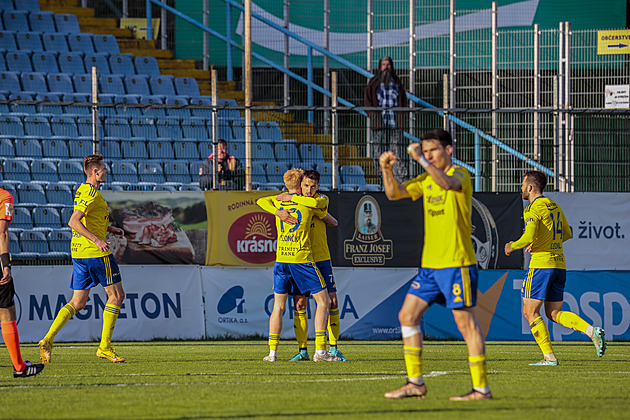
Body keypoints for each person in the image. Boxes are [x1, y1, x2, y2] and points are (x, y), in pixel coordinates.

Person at [381, 129, 492, 401]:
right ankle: (415, 383)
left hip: (457, 263)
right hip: (430, 266)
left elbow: (446, 184)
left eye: (433, 150)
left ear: (449, 150)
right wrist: (385, 169)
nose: (428, 154)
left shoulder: (460, 174)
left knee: (466, 325)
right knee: (407, 316)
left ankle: (481, 389)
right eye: (425, 150)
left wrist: (421, 160)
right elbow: (394, 194)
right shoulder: (426, 177)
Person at [504, 171, 606, 365]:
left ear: (531, 187)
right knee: (553, 313)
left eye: (523, 184)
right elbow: (567, 233)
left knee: (530, 311)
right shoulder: (554, 206)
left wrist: (512, 245)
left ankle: (549, 357)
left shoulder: (534, 208)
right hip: (559, 264)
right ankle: (591, 331)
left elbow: (527, 237)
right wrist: (542, 240)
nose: (521, 188)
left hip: (541, 265)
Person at [39, 154, 126, 364]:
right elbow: (74, 221)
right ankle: (104, 347)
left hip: (79, 253)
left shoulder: (85, 190)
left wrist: (110, 228)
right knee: (116, 296)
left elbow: (90, 218)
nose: (107, 170)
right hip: (95, 253)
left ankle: (47, 339)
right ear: (95, 172)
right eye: (104, 168)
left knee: (77, 302)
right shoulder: (91, 193)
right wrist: (97, 240)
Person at [256, 168, 342, 362]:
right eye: (306, 185)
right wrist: (281, 210)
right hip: (301, 259)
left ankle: (332, 348)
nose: (309, 189)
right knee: (305, 303)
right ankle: (308, 351)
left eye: (313, 186)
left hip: (308, 257)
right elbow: (328, 217)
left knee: (330, 301)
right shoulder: (300, 203)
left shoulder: (314, 201)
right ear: (300, 184)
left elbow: (330, 219)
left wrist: (288, 201)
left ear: (318, 187)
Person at [0, 180, 45, 378]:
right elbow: (1, 233)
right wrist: (5, 265)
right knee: (7, 311)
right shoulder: (4, 197)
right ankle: (19, 367)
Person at [364, 55, 409, 183]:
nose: (386, 67)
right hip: (379, 122)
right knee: (378, 151)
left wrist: (402, 115)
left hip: (395, 122)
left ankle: (399, 180)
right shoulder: (374, 82)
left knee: (396, 151)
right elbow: (367, 102)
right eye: (383, 65)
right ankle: (380, 180)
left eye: (388, 64)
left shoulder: (397, 82)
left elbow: (404, 100)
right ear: (380, 67)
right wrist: (373, 115)